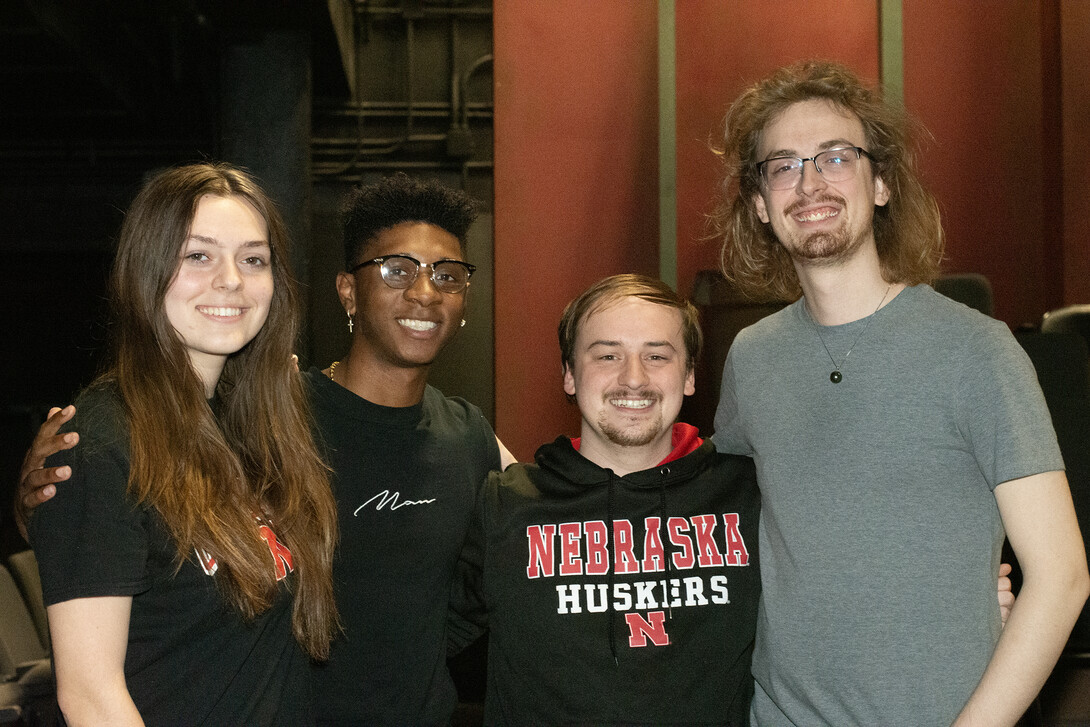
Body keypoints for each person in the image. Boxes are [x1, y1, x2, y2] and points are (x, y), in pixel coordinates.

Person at [710, 59, 1089, 726]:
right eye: (784, 165)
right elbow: (718, 513)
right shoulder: (752, 357)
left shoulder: (977, 349)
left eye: (835, 156)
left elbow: (1061, 576)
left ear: (881, 182)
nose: (810, 182)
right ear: (762, 206)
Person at [25, 162, 340, 726]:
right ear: (147, 269)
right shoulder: (98, 446)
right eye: (198, 255)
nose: (231, 280)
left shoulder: (255, 427)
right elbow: (91, 697)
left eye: (253, 259)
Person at [449, 274, 760, 725]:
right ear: (570, 375)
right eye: (608, 355)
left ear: (689, 375)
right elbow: (411, 649)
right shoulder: (507, 506)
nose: (633, 378)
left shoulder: (747, 494)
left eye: (656, 355)